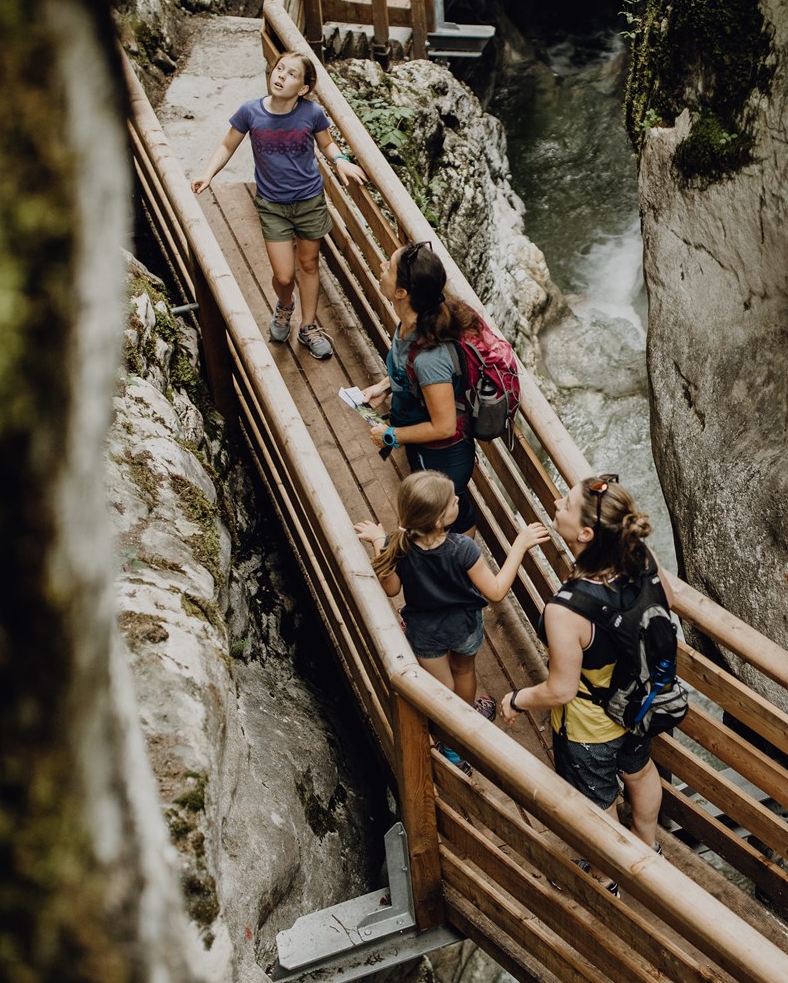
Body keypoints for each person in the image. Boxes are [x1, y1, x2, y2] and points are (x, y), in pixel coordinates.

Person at [500, 475, 669, 871]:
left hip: (591, 728)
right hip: (641, 704)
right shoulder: (642, 558)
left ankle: (613, 876)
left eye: (567, 504)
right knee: (640, 773)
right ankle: (649, 847)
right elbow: (668, 601)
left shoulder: (568, 610)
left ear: (587, 533)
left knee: (600, 803)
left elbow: (561, 690)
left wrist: (516, 699)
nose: (557, 502)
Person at [191, 51, 365, 361]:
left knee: (310, 265)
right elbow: (227, 144)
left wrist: (340, 161)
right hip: (273, 205)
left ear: (302, 88)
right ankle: (285, 305)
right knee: (284, 276)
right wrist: (207, 174)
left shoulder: (311, 113)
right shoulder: (250, 112)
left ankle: (308, 327)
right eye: (279, 68)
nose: (281, 75)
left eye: (291, 74)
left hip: (309, 199)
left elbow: (326, 143)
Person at [355, 474, 547, 730]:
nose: (457, 499)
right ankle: (462, 729)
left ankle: (449, 737)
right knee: (464, 671)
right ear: (437, 521)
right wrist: (519, 546)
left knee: (442, 689)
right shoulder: (463, 548)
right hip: (463, 627)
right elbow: (497, 591)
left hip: (424, 634)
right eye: (452, 502)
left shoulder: (397, 543)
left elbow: (391, 588)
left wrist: (379, 541)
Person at [362, 240, 481, 533]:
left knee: (446, 519)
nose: (381, 268)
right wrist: (384, 386)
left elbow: (443, 426)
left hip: (442, 453)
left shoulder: (431, 358)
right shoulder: (411, 325)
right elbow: (409, 372)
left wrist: (391, 435)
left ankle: (467, 572)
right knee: (451, 513)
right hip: (425, 446)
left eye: (388, 267)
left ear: (402, 293)